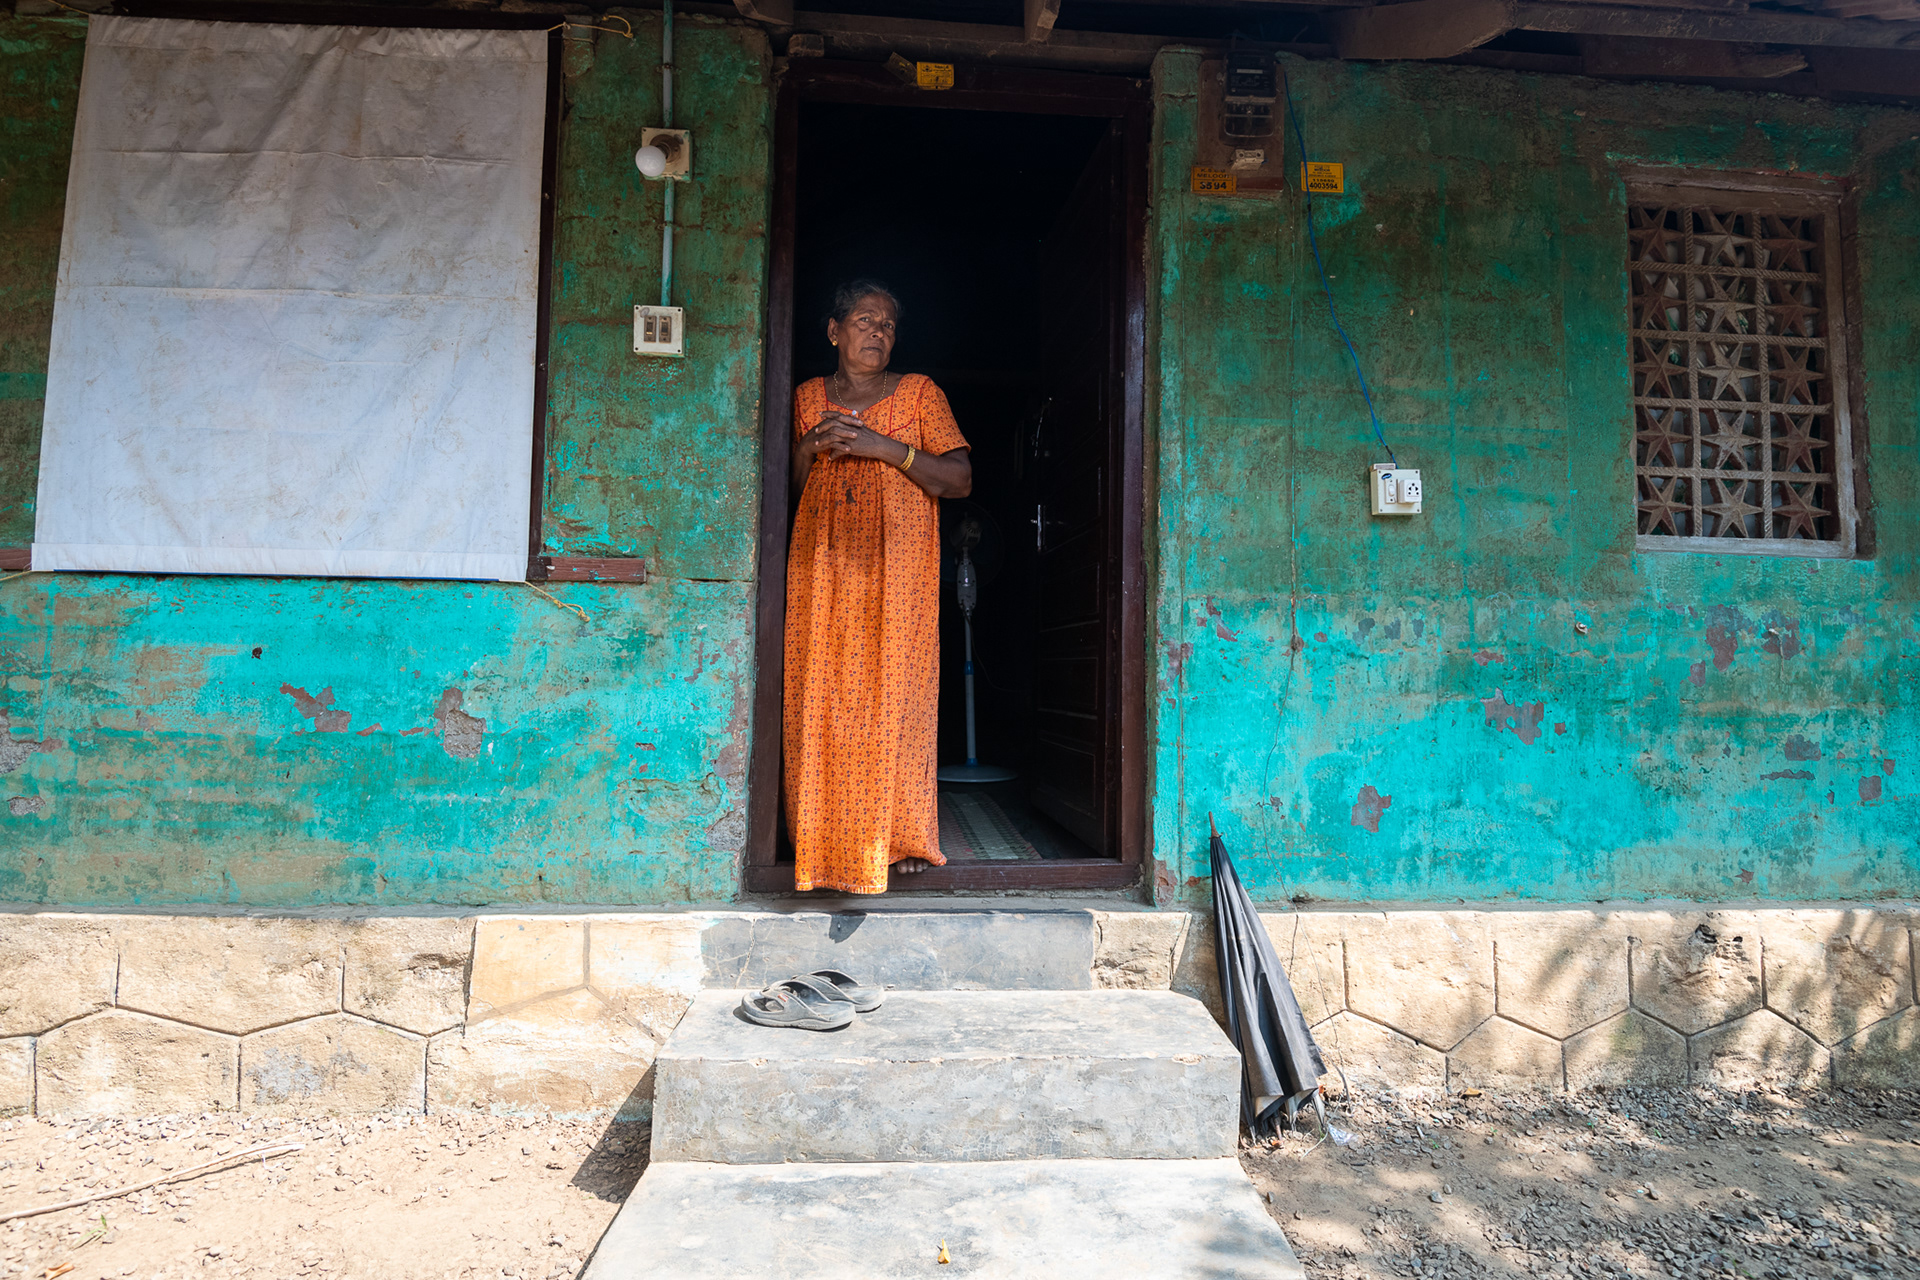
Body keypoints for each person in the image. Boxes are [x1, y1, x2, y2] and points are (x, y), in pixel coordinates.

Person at [783, 280, 972, 894]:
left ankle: (900, 837)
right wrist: (812, 445)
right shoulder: (807, 397)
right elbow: (787, 483)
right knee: (825, 691)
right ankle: (820, 837)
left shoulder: (919, 394)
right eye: (865, 320)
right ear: (834, 331)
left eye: (888, 325)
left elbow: (959, 478)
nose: (878, 333)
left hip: (900, 571)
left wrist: (883, 448)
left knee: (897, 693)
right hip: (827, 566)